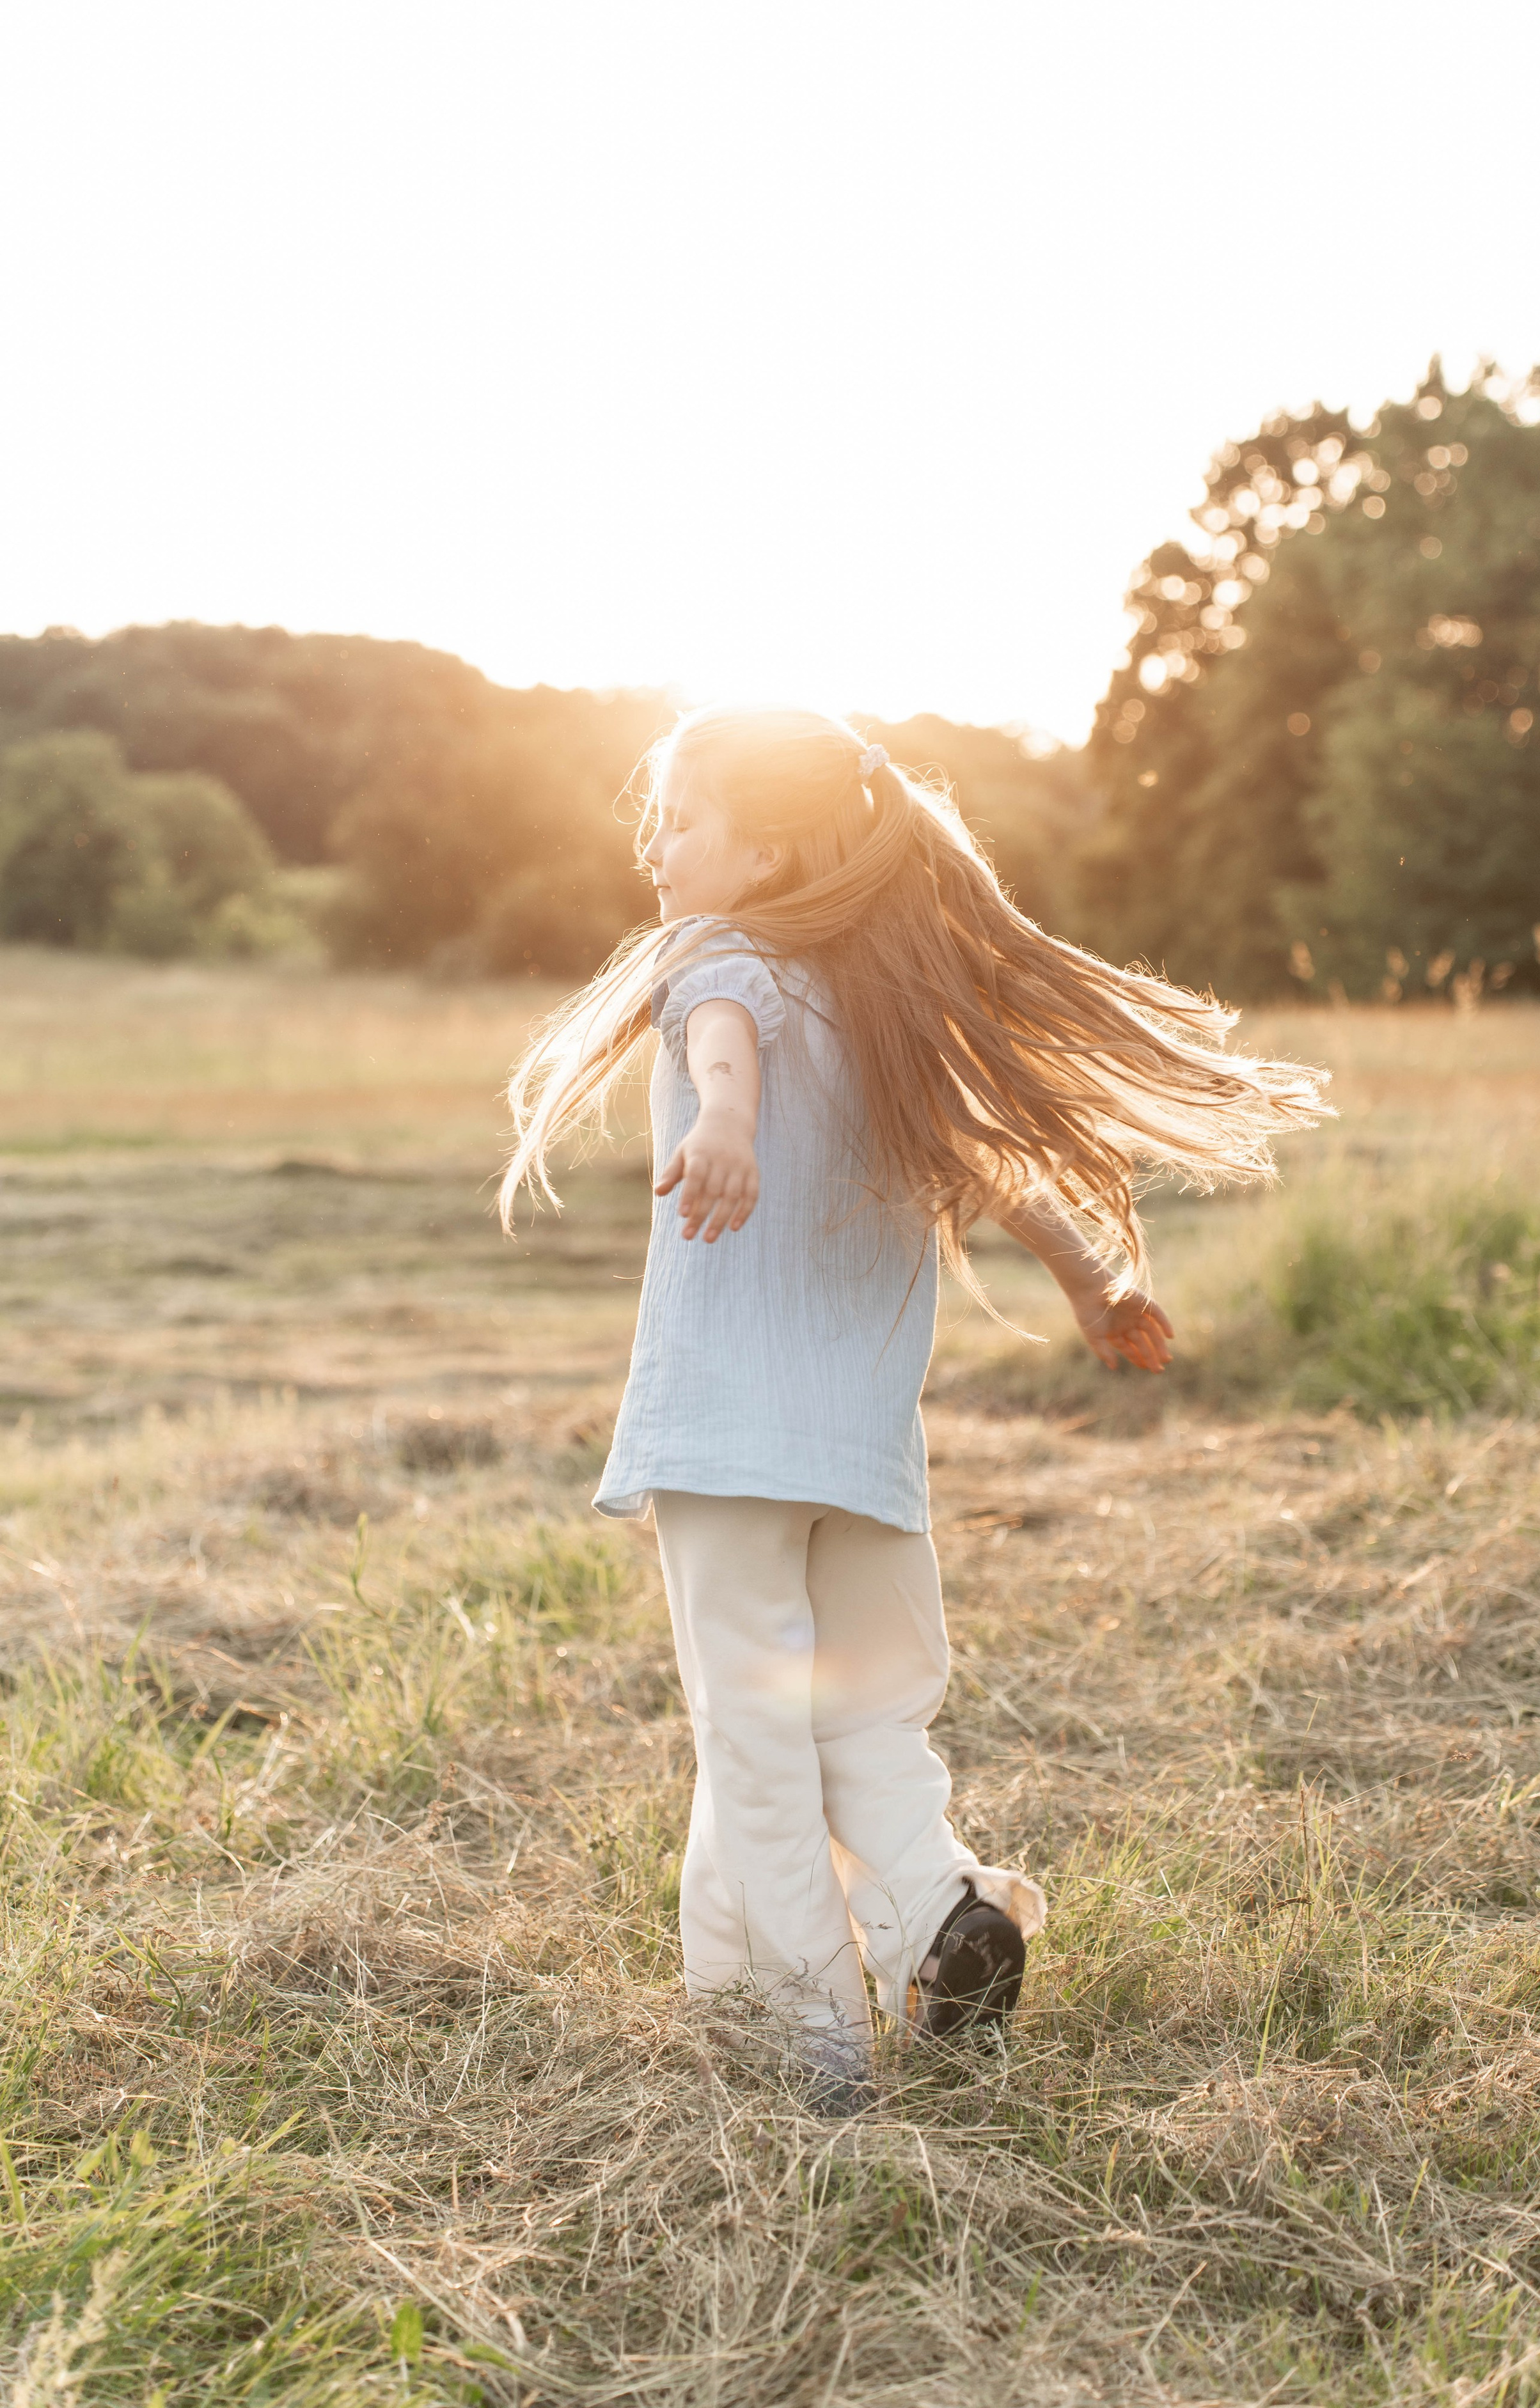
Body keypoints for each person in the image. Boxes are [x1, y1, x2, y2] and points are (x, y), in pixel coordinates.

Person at [500, 706, 1326, 2109]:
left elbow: (721, 1048)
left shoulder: (714, 959)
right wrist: (1092, 1279)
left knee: (757, 1747)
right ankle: (939, 1916)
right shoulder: (883, 1011)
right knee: (863, 1725)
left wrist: (726, 1125)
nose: (653, 846)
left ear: (767, 854)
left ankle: (813, 2050)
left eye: (681, 819)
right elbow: (992, 1169)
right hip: (860, 1449)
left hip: (728, 1444)